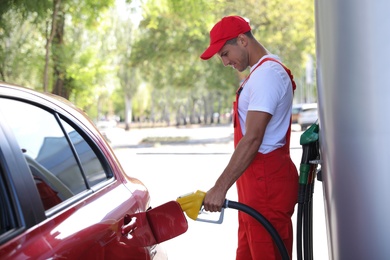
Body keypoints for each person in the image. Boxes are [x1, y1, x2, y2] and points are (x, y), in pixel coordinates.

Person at [200, 15, 298, 260]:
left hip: (267, 188)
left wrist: (220, 188)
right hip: (256, 188)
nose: (224, 62)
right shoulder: (260, 74)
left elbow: (253, 138)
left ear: (242, 40)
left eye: (224, 53)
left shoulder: (268, 75)